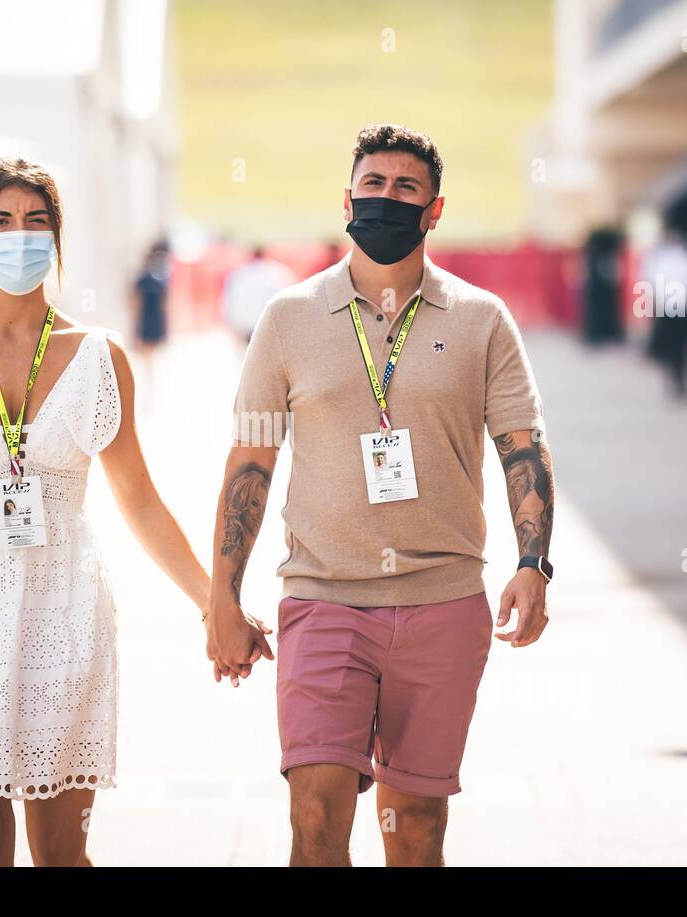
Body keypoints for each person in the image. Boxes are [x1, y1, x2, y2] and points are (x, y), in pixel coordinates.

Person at [205, 124, 554, 867]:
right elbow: (251, 461)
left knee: (417, 826)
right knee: (316, 812)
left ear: (434, 211)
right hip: (323, 596)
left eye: (406, 189)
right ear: (347, 198)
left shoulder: (483, 319)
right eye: (373, 184)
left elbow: (521, 446)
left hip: (442, 601)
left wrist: (534, 563)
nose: (386, 199)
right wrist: (221, 596)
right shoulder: (288, 318)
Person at [0, 158, 243, 867]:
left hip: (67, 611)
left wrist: (213, 602)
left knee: (62, 852)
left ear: (57, 240)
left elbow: (138, 497)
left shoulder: (99, 356)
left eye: (36, 221)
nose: (20, 236)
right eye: (2, 222)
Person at [643, 216, 687, 400]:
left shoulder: (659, 260)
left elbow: (651, 288)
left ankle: (677, 380)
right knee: (686, 346)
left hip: (667, 308)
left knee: (672, 349)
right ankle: (685, 379)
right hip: (686, 308)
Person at [221, 245, 296, 347]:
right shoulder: (279, 272)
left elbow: (230, 304)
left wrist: (233, 329)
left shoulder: (239, 274)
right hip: (271, 329)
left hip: (248, 329)